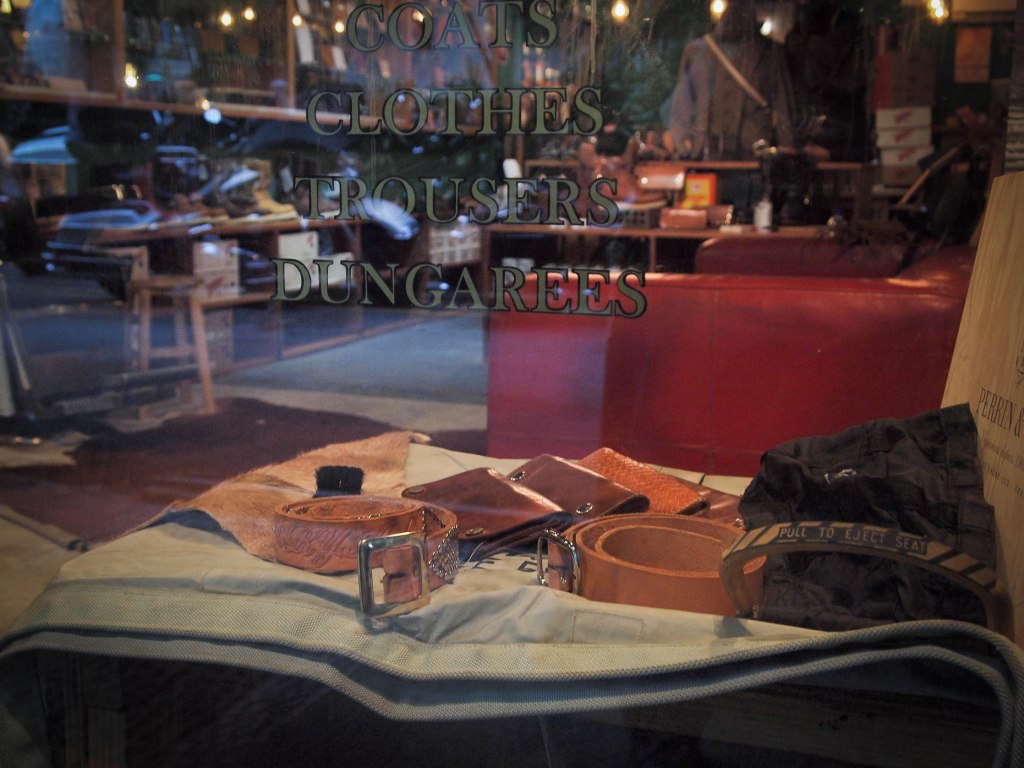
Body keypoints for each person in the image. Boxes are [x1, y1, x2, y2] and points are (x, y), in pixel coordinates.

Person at [667, 0, 797, 160]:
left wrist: (786, 153)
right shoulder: (695, 52)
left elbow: (784, 109)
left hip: (754, 154)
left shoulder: (771, 52)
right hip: (705, 154)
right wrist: (685, 146)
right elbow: (681, 110)